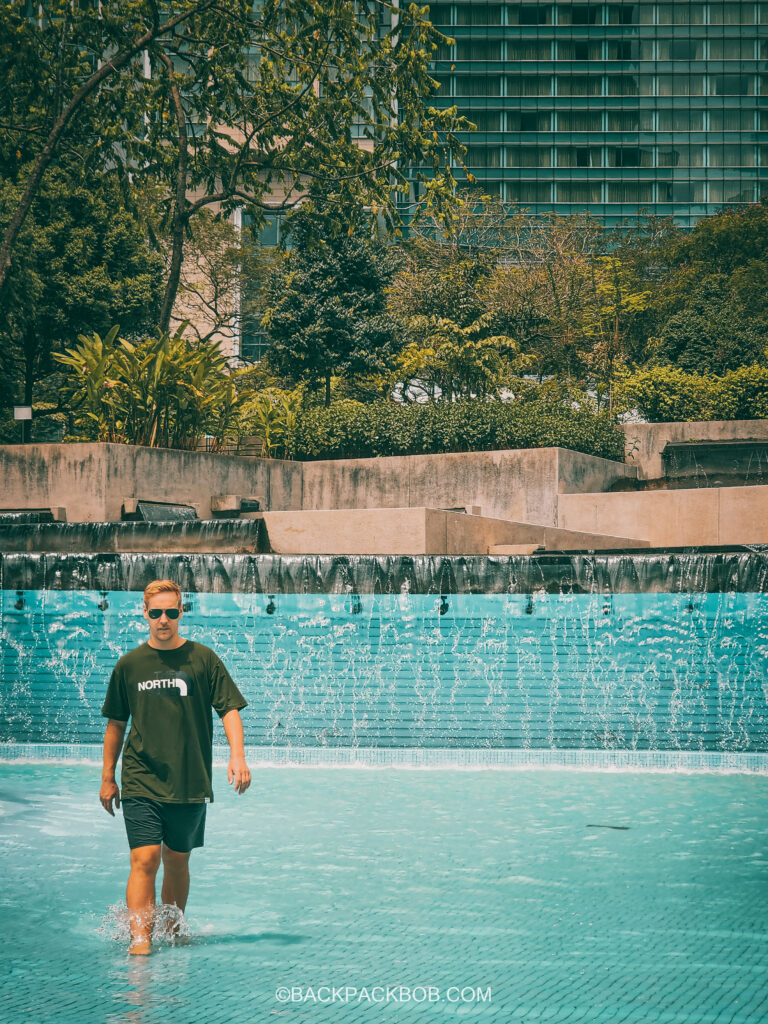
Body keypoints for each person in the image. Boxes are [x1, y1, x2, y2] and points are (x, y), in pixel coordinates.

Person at [99, 579, 251, 955]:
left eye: (170, 612)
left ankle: (172, 929)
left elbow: (229, 709)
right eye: (156, 613)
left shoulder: (202, 658)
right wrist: (107, 778)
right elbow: (116, 723)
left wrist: (238, 756)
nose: (163, 620)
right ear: (145, 614)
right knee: (145, 858)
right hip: (140, 777)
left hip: (189, 778)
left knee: (177, 861)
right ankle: (139, 940)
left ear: (181, 612)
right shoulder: (129, 664)